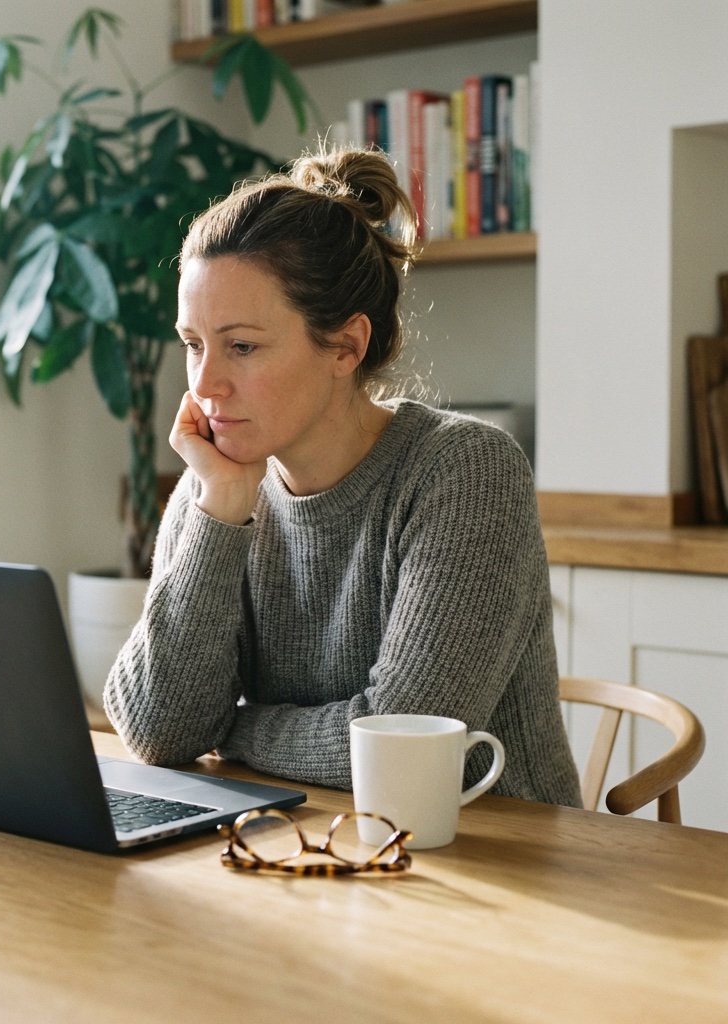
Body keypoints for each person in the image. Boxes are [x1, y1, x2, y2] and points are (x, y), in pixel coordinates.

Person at [103, 146, 582, 807]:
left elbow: (406, 745)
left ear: (345, 346)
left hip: (492, 861)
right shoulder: (219, 482)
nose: (206, 384)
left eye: (241, 346)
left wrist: (233, 729)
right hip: (312, 851)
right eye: (194, 344)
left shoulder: (465, 470)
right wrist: (218, 515)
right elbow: (158, 732)